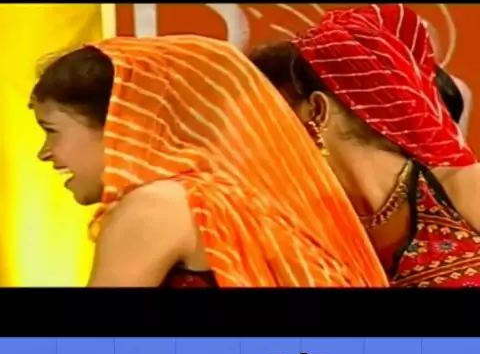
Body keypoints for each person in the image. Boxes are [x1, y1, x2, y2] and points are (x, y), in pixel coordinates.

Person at [29, 35, 388, 288]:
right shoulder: (244, 201)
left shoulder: (157, 207)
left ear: (123, 122)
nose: (44, 152)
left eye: (52, 130)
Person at [250, 4, 480, 288]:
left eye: (264, 117)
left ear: (317, 111)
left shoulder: (464, 190)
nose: (251, 138)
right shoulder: (299, 229)